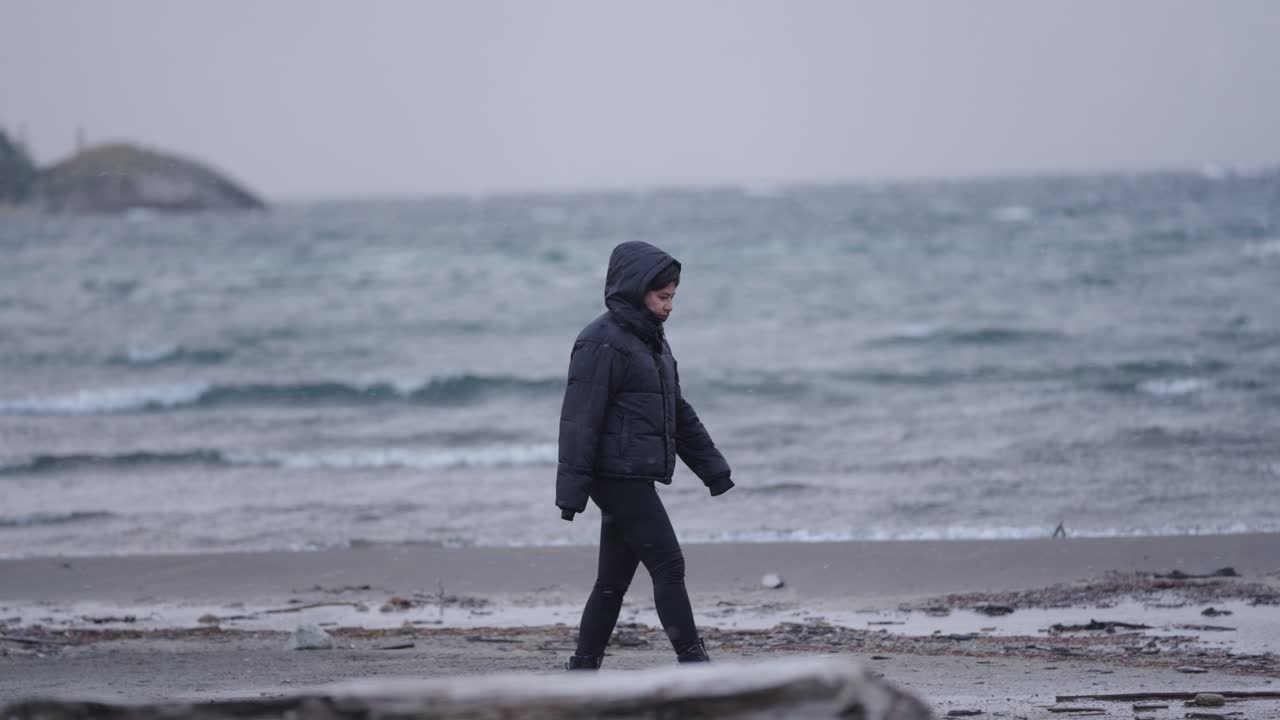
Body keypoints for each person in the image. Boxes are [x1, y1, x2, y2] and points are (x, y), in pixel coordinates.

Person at [555, 240, 734, 670]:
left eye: (673, 297)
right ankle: (695, 665)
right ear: (637, 290)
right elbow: (581, 419)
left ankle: (583, 666)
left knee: (612, 581)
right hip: (615, 476)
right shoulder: (601, 342)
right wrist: (572, 491)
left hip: (632, 473)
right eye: (663, 297)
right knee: (669, 565)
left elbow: (677, 410)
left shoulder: (651, 341)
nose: (671, 306)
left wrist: (712, 468)